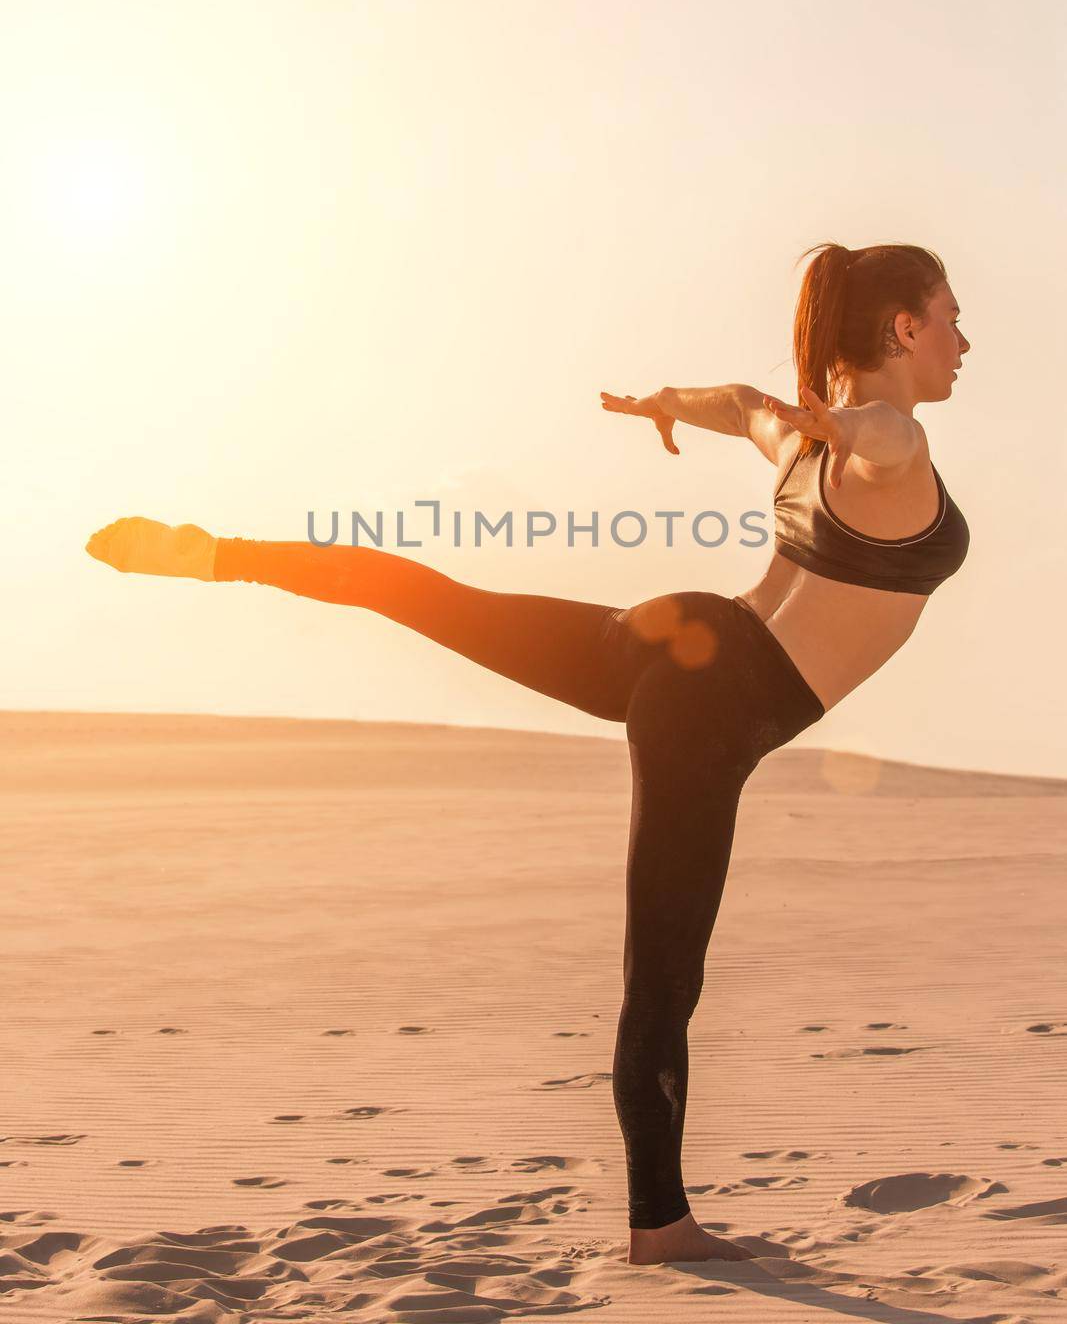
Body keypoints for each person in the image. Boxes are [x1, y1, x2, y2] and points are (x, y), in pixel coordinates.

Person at [85, 241, 971, 1266]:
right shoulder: (885, 437)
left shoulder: (798, 441)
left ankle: (218, 553)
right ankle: (661, 1228)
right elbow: (881, 436)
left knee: (444, 603)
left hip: (683, 635)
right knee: (661, 976)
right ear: (901, 328)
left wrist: (665, 404)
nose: (962, 339)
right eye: (949, 315)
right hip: (719, 699)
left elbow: (740, 400)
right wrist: (830, 418)